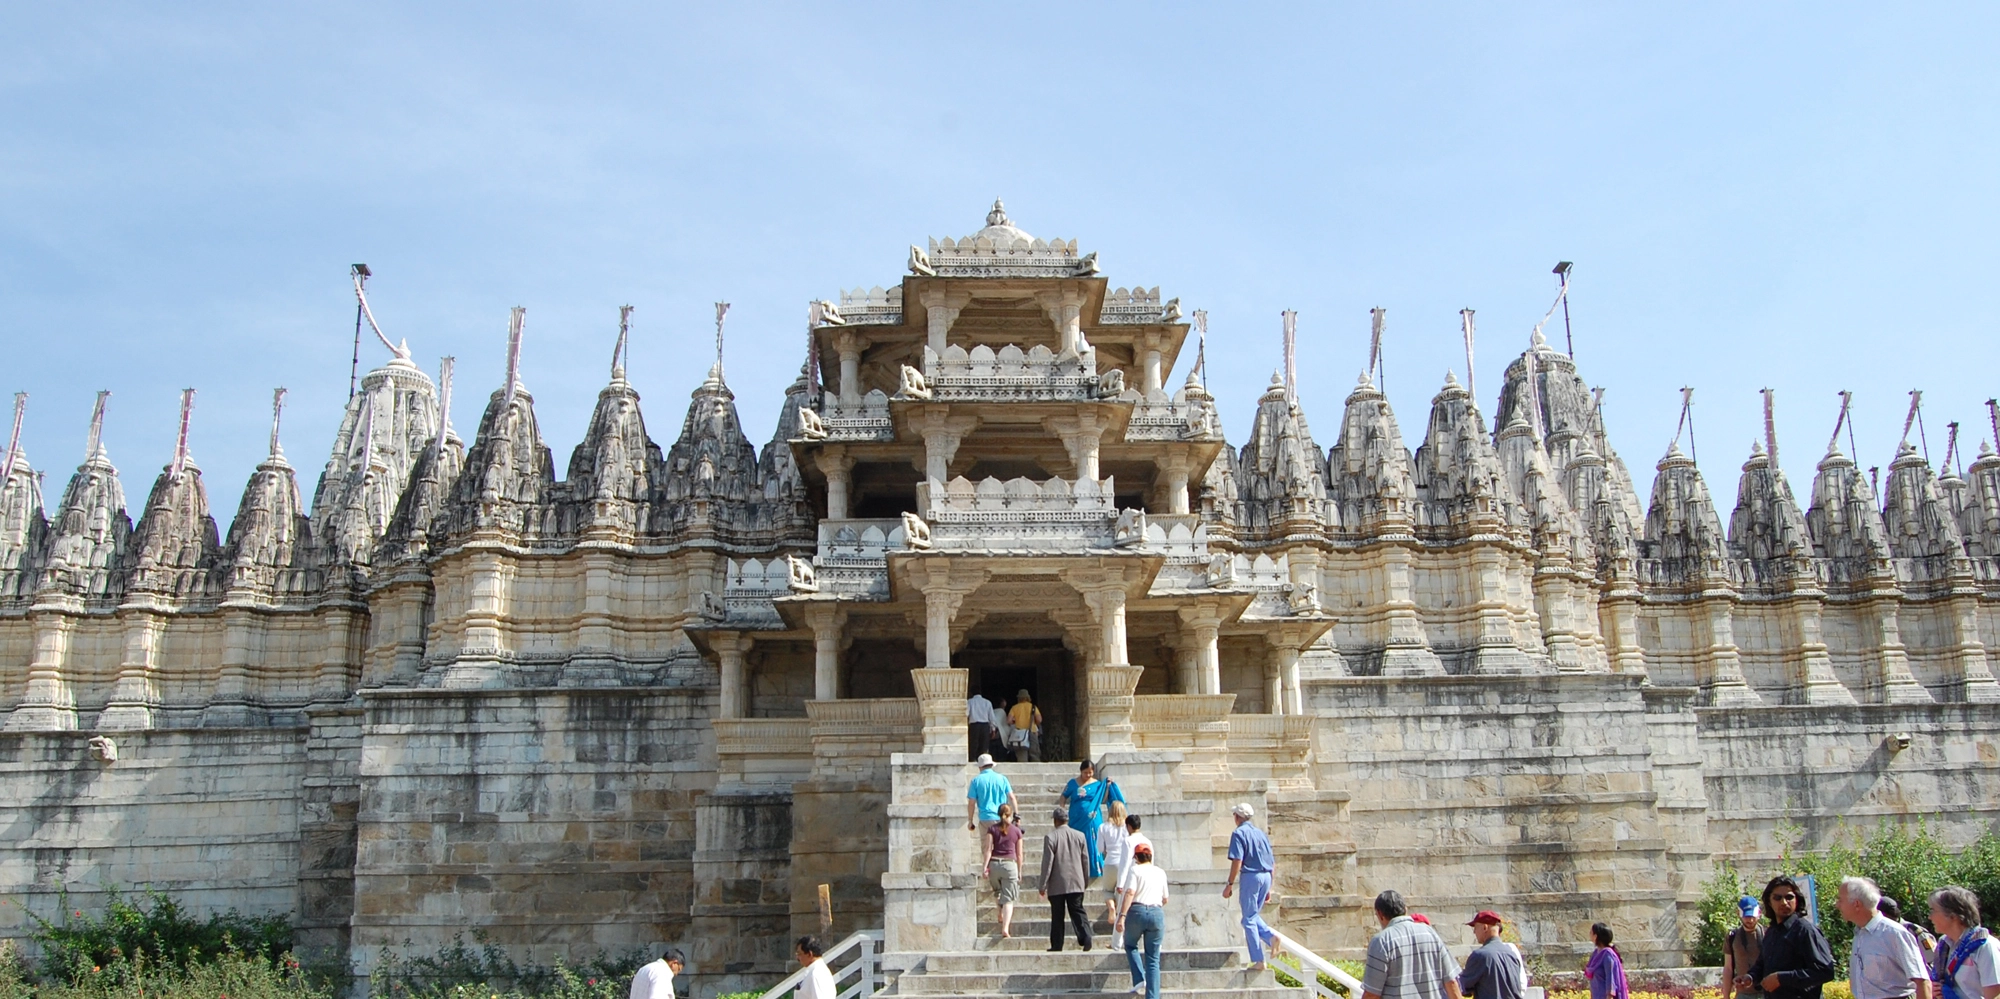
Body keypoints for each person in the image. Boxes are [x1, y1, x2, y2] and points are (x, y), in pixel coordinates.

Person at [1739, 876, 1835, 999]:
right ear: (1769, 901)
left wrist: (1782, 978)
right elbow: (1763, 963)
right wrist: (1750, 977)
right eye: (1777, 898)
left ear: (1797, 900)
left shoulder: (1805, 931)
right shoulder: (1772, 931)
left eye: (1789, 897)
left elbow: (1825, 971)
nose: (1784, 902)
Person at [1839, 876, 1931, 999]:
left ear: (1856, 904)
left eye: (1840, 900)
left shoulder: (1895, 933)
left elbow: (1922, 982)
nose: (1837, 905)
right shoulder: (1859, 934)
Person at [1361, 889, 1462, 999]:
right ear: (1405, 909)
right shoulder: (1429, 933)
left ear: (1380, 914)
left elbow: (1371, 994)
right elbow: (1451, 982)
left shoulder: (1381, 941)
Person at [1223, 802, 1279, 971]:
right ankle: (1270, 938)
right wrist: (1269, 887)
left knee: (1248, 919)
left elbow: (1237, 860)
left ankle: (1259, 959)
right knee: (1251, 916)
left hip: (1251, 876)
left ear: (1237, 817)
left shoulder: (1239, 833)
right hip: (1266, 875)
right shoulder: (1260, 833)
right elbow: (1272, 862)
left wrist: (1230, 883)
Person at [1116, 844, 1171, 999]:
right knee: (1153, 959)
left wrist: (1122, 916)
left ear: (1136, 857)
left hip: (1137, 911)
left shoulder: (1135, 870)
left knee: (1130, 944)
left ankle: (1139, 978)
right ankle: (1152, 997)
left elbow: (1130, 893)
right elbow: (1165, 898)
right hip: (1156, 912)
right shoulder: (1160, 872)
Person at [1927, 885, 1999, 999]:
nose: (1929, 917)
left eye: (1932, 911)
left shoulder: (1985, 946)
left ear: (1953, 915)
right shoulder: (1943, 945)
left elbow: (1995, 996)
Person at [1040, 806, 1093, 951]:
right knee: (1077, 910)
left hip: (1057, 883)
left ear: (1056, 821)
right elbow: (1085, 860)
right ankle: (1086, 936)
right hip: (1076, 881)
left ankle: (1057, 944)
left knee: (1057, 915)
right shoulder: (1080, 836)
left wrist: (1043, 885)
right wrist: (1085, 880)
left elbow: (1047, 863)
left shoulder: (1051, 837)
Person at [1061, 759, 1125, 879]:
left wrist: (1107, 786)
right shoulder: (1072, 783)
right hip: (1076, 818)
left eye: (1090, 773)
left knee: (1093, 841)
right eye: (1086, 772)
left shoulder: (1097, 784)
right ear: (1081, 771)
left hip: (1093, 819)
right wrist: (1062, 810)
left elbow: (1103, 799)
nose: (1088, 775)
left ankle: (1095, 868)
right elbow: (1063, 797)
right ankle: (1076, 868)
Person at [1458, 911, 1525, 999]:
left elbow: (1461, 986)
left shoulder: (1480, 956)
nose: (1474, 932)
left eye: (1476, 927)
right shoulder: (1512, 954)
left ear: (1485, 927)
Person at [981, 802, 1024, 938]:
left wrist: (985, 867)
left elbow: (988, 849)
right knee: (1009, 898)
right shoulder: (1017, 831)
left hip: (994, 864)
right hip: (1009, 865)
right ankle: (1005, 927)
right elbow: (1019, 854)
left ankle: (999, 912)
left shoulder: (992, 829)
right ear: (1010, 815)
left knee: (998, 892)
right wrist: (1020, 871)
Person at [1099, 800, 1133, 930]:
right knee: (1122, 892)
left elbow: (1100, 848)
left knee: (1107, 890)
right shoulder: (1127, 827)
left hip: (1109, 862)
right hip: (1124, 863)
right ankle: (1120, 916)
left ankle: (1111, 907)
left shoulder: (1103, 827)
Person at [1724, 896, 1766, 999]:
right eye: (1746, 916)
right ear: (1739, 914)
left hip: (1766, 993)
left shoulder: (1768, 934)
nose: (1750, 920)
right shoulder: (1732, 936)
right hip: (1743, 994)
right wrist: (1726, 996)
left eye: (1753, 916)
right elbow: (1728, 968)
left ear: (1759, 914)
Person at [965, 753, 1017, 832]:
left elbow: (971, 803)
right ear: (992, 765)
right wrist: (1016, 815)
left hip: (985, 817)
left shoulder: (976, 781)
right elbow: (1011, 797)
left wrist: (970, 821)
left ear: (980, 767)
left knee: (986, 843)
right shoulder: (1002, 778)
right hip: (1002, 816)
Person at [1586, 924, 1628, 999]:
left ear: (1596, 936)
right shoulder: (1596, 953)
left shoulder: (1607, 955)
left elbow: (1610, 977)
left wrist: (1609, 996)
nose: (1589, 934)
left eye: (1591, 932)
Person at [1007, 689, 1041, 762]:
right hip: (1032, 732)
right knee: (1034, 755)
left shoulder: (1014, 707)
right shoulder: (1033, 707)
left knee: (1022, 757)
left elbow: (1009, 721)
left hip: (1020, 735)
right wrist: (1034, 724)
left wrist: (1015, 721)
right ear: (1027, 697)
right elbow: (1039, 720)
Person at [967, 690, 996, 762]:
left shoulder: (970, 702)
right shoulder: (987, 702)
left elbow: (966, 714)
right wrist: (993, 729)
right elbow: (991, 717)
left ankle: (973, 759)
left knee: (974, 743)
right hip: (985, 725)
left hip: (974, 725)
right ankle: (984, 761)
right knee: (984, 744)